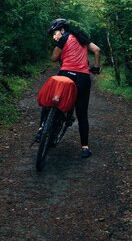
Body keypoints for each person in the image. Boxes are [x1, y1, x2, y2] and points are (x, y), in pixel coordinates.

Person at [38, 18, 101, 158]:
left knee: (51, 100)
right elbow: (97, 50)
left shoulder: (63, 38)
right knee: (82, 115)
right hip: (83, 78)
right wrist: (96, 68)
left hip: (66, 75)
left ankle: (42, 128)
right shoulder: (82, 38)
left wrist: (57, 44)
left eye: (55, 32)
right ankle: (85, 148)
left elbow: (54, 58)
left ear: (62, 30)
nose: (54, 35)